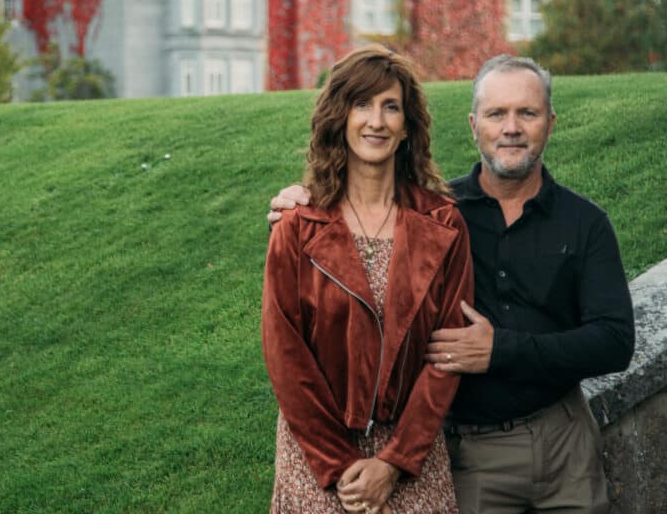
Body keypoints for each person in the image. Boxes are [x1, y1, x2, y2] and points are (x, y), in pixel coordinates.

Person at [269, 55, 635, 514]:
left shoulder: (572, 223)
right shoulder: (440, 215)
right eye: (497, 114)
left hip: (558, 440)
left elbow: (614, 342)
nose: (512, 128)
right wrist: (293, 214)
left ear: (550, 122)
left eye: (527, 113)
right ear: (473, 125)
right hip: (460, 451)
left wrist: (499, 350)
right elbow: (287, 352)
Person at [262, 45, 474, 514]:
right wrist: (341, 466)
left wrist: (394, 463)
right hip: (316, 455)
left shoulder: (443, 224)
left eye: (390, 106)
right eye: (362, 104)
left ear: (407, 126)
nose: (376, 121)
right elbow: (285, 355)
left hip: (411, 453)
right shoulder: (298, 225)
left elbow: (448, 353)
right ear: (340, 117)